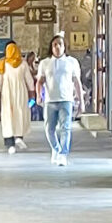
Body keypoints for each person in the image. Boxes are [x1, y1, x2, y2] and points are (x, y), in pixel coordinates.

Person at [37, 32, 83, 164]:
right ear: (51, 47)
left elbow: (77, 82)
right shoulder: (45, 63)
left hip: (66, 99)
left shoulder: (71, 62)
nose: (57, 47)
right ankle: (56, 149)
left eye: (60, 44)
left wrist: (80, 101)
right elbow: (40, 81)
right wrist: (39, 95)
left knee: (66, 128)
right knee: (49, 129)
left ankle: (63, 154)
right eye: (55, 45)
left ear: (64, 47)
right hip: (50, 100)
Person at [0, 42, 32, 152]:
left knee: (8, 115)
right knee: (19, 113)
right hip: (21, 93)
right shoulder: (23, 64)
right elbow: (29, 81)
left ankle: (10, 143)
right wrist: (32, 93)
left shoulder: (2, 64)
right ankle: (19, 137)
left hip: (7, 94)